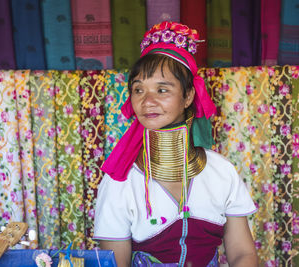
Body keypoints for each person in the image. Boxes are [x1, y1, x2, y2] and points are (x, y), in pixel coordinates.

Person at [94, 21, 258, 267]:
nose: (148, 101)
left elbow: (242, 254)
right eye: (139, 90)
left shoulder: (221, 172)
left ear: (189, 96)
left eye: (162, 90)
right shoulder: (120, 182)